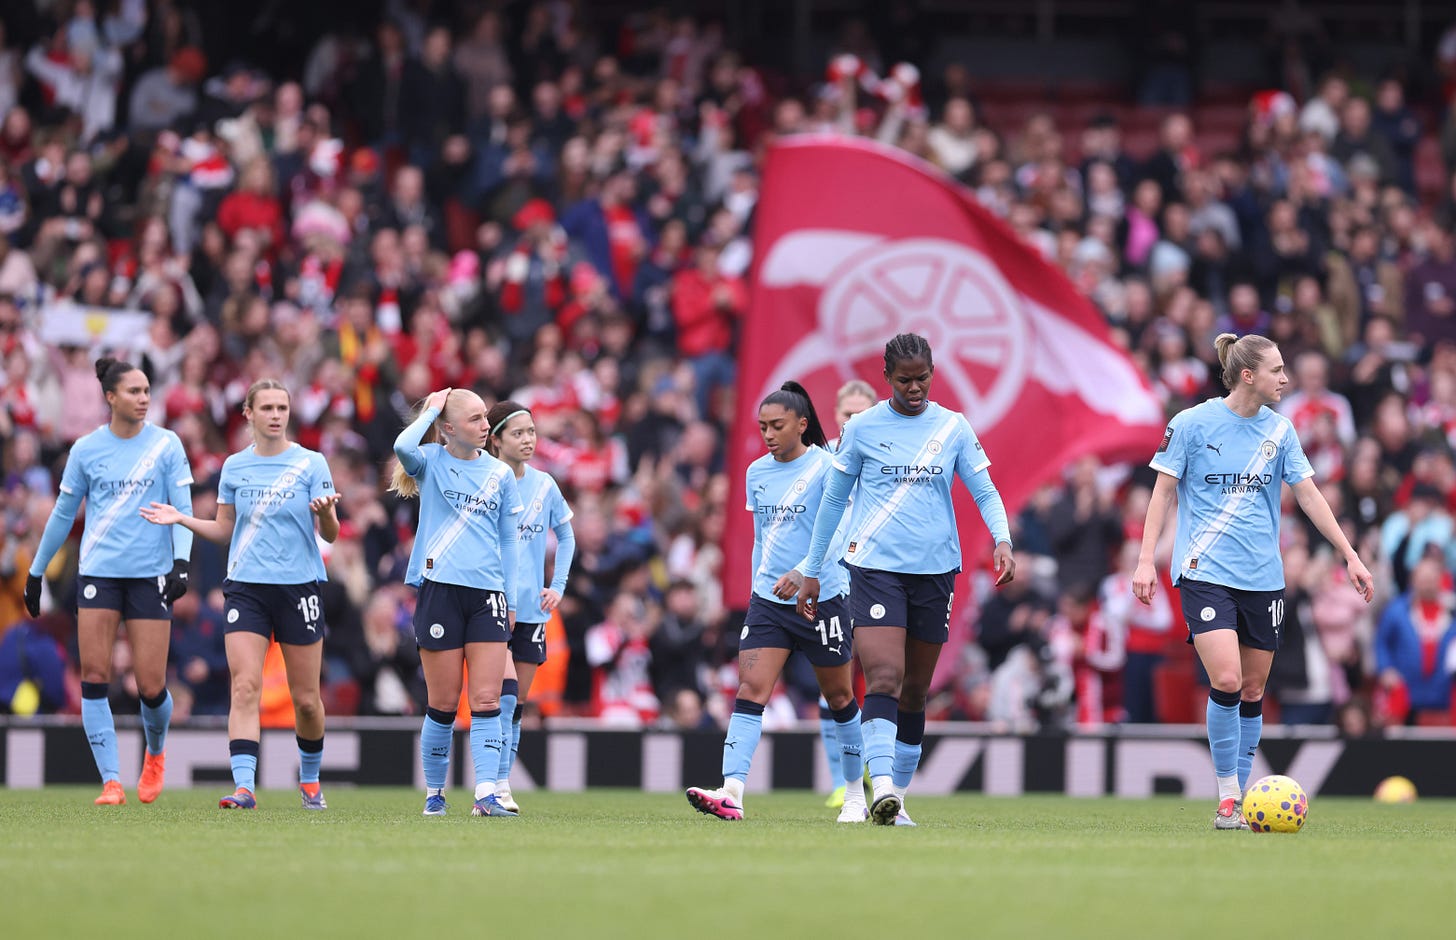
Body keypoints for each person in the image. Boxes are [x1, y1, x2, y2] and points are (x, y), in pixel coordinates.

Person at [1133, 332, 1374, 830]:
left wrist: (1349, 555)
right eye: (1277, 370)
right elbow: (1162, 494)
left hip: (1263, 577)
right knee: (1226, 679)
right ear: (1248, 375)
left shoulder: (1280, 431)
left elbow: (1309, 496)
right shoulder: (1191, 424)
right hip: (1203, 571)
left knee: (1252, 688)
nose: (1285, 378)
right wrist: (1144, 560)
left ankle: (1240, 800)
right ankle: (1227, 798)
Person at [795, 334, 1016, 826]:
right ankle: (881, 788)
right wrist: (812, 569)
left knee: (916, 690)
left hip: (935, 570)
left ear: (933, 373)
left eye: (922, 379)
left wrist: (1001, 539)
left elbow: (984, 490)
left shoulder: (953, 427)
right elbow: (833, 501)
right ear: (886, 378)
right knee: (884, 678)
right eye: (904, 380)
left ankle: (897, 798)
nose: (914, 388)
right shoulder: (862, 428)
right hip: (875, 567)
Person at [140, 379, 340, 810]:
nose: (276, 415)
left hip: (299, 588)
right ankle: (245, 788)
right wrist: (183, 518)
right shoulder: (234, 467)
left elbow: (331, 534)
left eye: (282, 407)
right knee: (245, 687)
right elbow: (224, 529)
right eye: (266, 407)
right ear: (248, 413)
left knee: (307, 701)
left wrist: (326, 517)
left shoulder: (311, 463)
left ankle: (310, 782)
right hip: (247, 588)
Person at [686, 381, 869, 823]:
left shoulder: (827, 467)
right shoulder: (756, 473)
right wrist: (757, 589)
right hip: (769, 602)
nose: (768, 434)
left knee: (840, 697)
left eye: (777, 425)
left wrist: (804, 571)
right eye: (763, 426)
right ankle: (732, 792)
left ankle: (853, 795)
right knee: (750, 690)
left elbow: (840, 534)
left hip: (822, 597)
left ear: (802, 425)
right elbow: (762, 540)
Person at [24, 357, 194, 805]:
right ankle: (112, 781)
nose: (143, 398)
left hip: (150, 575)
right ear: (110, 397)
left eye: (147, 390)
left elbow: (182, 509)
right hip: (99, 573)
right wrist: (36, 571)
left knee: (151, 686)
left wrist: (181, 563)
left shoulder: (167, 444)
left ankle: (154, 754)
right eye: (134, 391)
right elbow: (63, 515)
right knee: (95, 676)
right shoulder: (86, 449)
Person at [390, 387, 522, 817]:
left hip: (487, 596)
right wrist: (429, 411)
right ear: (448, 428)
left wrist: (510, 598)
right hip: (439, 592)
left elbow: (509, 541)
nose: (486, 425)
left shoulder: (499, 474)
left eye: (486, 417)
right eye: (475, 419)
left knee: (486, 700)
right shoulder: (429, 461)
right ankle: (435, 793)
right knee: (443, 704)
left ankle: (485, 795)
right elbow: (402, 446)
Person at [483, 400, 576, 813]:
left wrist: (557, 586)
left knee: (517, 705)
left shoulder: (545, 484)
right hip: (491, 606)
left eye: (532, 432)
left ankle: (501, 784)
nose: (528, 440)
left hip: (531, 610)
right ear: (496, 439)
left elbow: (567, 537)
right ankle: (494, 784)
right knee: (502, 699)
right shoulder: (483, 481)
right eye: (518, 433)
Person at [816, 378, 876, 810]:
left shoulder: (886, 461)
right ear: (835, 416)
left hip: (876, 578)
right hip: (832, 581)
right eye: (847, 413)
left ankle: (873, 762)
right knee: (833, 681)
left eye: (861, 414)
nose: (853, 420)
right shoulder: (820, 461)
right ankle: (842, 780)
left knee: (880, 678)